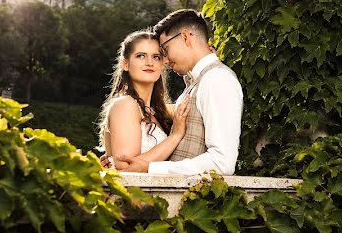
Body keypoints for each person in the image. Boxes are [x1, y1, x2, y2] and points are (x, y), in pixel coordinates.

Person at [113, 9, 243, 175]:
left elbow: (222, 162)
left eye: (164, 50)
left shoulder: (217, 79)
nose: (165, 61)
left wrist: (151, 167)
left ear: (185, 37)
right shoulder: (194, 85)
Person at [98, 30, 190, 168]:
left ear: (162, 64)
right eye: (141, 56)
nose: (149, 62)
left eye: (156, 57)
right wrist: (175, 136)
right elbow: (127, 169)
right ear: (125, 64)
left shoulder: (159, 111)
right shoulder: (125, 105)